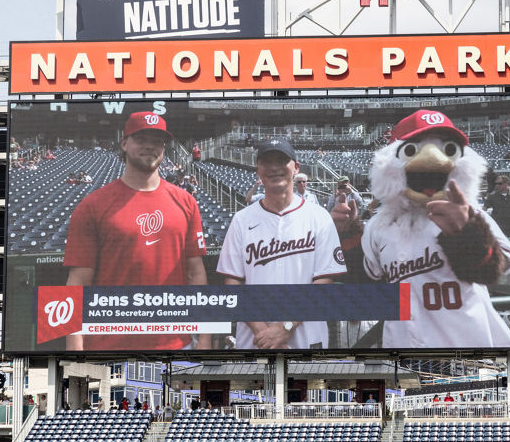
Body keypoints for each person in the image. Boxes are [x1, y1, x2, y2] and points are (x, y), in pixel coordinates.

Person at [63, 112, 209, 351]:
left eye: (157, 140)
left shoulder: (186, 202)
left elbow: (196, 274)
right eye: (141, 139)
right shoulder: (93, 205)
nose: (150, 146)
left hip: (175, 343)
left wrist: (204, 337)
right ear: (124, 142)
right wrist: (75, 344)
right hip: (108, 344)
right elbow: (78, 282)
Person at [218, 136, 345, 349]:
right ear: (258, 169)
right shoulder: (241, 220)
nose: (274, 168)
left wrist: (284, 327)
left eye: (282, 160)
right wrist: (265, 335)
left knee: (310, 384)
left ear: (296, 167)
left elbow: (324, 282)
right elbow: (233, 285)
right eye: (267, 162)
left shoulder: (319, 216)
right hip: (255, 342)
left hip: (307, 339)